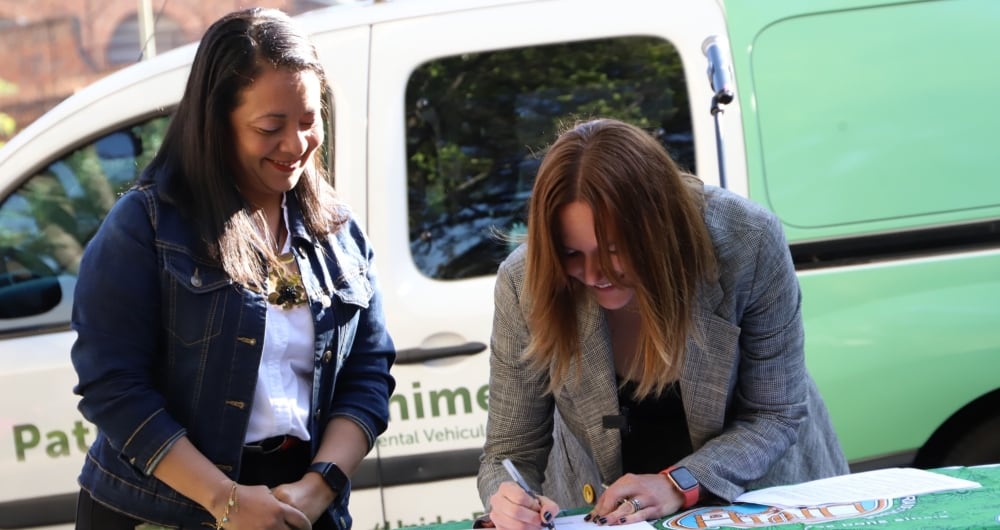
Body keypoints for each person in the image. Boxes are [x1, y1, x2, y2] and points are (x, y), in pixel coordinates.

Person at [70, 8, 395, 530]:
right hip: (164, 511)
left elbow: (368, 372)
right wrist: (226, 500)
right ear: (216, 122)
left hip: (299, 504)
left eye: (308, 121)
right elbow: (112, 385)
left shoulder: (337, 229)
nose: (296, 145)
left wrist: (319, 487)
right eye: (270, 127)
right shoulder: (145, 225)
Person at [477, 118, 848, 529]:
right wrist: (509, 501)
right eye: (571, 253)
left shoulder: (747, 240)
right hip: (613, 515)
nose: (594, 274)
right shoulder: (524, 282)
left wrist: (677, 483)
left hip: (757, 498)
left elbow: (773, 413)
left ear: (657, 228)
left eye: (614, 250)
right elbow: (509, 452)